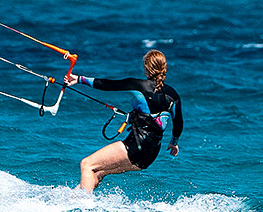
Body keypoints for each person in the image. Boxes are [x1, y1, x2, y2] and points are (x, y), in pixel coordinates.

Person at [66, 49, 183, 193]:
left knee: (87, 164)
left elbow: (108, 85)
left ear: (147, 67)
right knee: (98, 172)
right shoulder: (174, 95)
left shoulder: (138, 86)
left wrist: (78, 79)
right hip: (150, 154)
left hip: (135, 147)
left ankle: (82, 208)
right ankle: (73, 198)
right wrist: (174, 143)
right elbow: (178, 123)